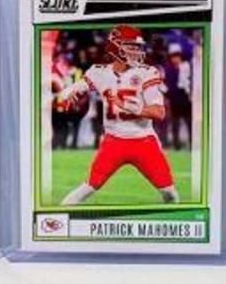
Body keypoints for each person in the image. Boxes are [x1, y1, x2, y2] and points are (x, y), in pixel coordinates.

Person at [59, 24, 179, 205]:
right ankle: (57, 217)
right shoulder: (98, 72)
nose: (137, 51)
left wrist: (130, 107)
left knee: (169, 192)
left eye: (138, 47)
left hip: (144, 141)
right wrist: (69, 93)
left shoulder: (147, 72)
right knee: (88, 187)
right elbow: (76, 87)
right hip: (113, 141)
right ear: (116, 46)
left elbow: (159, 112)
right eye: (131, 46)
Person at [163, 43, 192, 150]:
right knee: (175, 123)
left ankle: (192, 143)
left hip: (185, 99)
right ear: (170, 57)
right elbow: (168, 85)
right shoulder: (168, 70)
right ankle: (176, 145)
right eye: (173, 56)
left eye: (178, 56)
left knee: (189, 122)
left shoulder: (186, 66)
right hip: (174, 100)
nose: (176, 58)